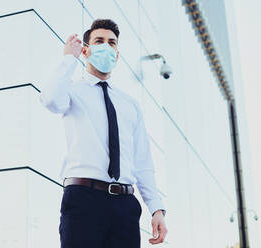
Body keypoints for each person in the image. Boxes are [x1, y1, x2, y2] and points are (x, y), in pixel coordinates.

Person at [39, 18, 168, 248]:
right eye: (100, 41)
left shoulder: (130, 105)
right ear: (86, 51)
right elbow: (49, 99)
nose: (107, 47)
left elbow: (142, 163)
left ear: (117, 55)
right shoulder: (71, 90)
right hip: (83, 201)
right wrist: (69, 58)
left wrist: (156, 208)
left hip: (125, 206)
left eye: (112, 43)